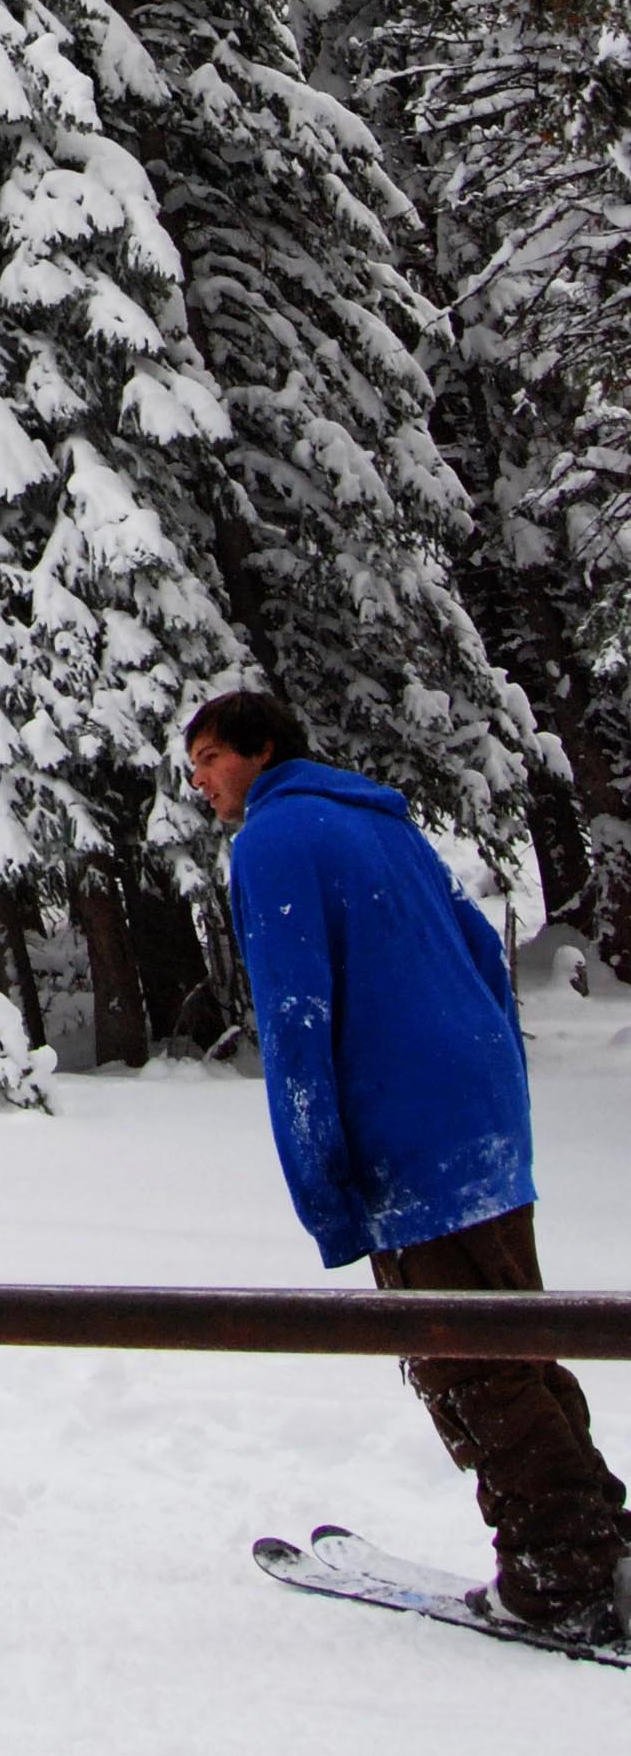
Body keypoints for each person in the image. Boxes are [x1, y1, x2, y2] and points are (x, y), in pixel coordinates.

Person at [187, 686, 629, 1644]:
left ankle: (563, 1575)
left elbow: (296, 1021)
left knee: (465, 1360)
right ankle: (601, 1540)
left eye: (212, 758)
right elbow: (479, 948)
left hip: (411, 1139)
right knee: (511, 1335)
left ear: (262, 749)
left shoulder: (272, 841)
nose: (203, 783)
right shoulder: (381, 821)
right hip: (481, 1119)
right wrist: (487, 1080)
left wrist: (325, 1183)